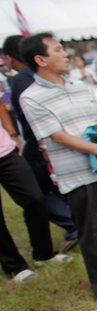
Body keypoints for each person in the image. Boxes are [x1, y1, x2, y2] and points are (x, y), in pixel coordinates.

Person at [20, 33, 97, 302]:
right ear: (40, 59)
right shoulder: (31, 97)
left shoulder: (78, 85)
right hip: (77, 173)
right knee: (90, 230)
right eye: (57, 50)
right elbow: (56, 135)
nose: (66, 54)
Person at [2, 35, 77, 252]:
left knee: (37, 190)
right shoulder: (33, 79)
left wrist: (41, 146)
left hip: (43, 143)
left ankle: (74, 223)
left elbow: (34, 122)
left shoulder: (23, 80)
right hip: (48, 141)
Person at [0, 100, 71, 283]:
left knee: (35, 198)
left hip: (5, 153)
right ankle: (14, 267)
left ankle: (44, 254)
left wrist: (13, 134)